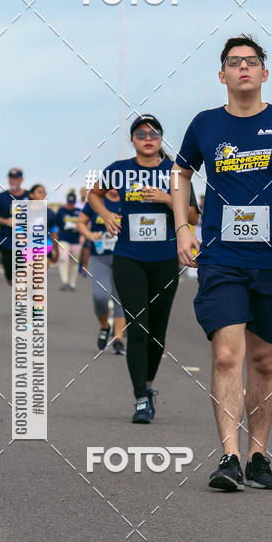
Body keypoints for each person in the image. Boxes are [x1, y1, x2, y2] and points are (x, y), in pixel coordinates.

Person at [172, 34, 272, 492]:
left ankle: (258, 457)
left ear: (264, 73)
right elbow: (181, 174)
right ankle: (228, 455)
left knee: (263, 360)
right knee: (226, 353)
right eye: (233, 62)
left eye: (251, 61)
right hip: (222, 257)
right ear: (221, 74)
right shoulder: (205, 125)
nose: (243, 67)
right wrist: (184, 228)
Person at [88, 114, 199, 423]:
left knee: (157, 332)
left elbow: (194, 216)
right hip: (129, 258)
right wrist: (107, 216)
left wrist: (166, 198)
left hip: (165, 259)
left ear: (161, 138)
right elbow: (93, 194)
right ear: (133, 139)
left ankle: (149, 387)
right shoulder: (119, 170)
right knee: (138, 326)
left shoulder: (176, 173)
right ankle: (139, 398)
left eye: (153, 133)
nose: (148, 137)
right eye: (141, 133)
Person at [77, 188, 126, 354]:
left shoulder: (128, 199)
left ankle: (118, 339)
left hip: (124, 256)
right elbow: (80, 222)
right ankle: (105, 326)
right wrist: (89, 235)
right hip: (99, 257)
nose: (113, 187)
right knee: (100, 295)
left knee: (121, 298)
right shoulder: (96, 200)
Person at [0, 168, 28, 286]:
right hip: (7, 239)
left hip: (25, 241)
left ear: (21, 179)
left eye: (16, 178)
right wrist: (5, 221)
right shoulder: (2, 197)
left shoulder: (29, 196)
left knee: (23, 273)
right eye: (11, 178)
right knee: (10, 277)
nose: (14, 181)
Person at [56, 191, 83, 290]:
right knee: (63, 258)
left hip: (76, 239)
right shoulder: (61, 211)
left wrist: (83, 236)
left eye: (72, 203)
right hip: (64, 238)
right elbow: (57, 225)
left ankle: (72, 283)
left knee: (74, 262)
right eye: (69, 202)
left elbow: (84, 224)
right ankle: (64, 282)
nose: (70, 205)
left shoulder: (79, 211)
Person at [28, 183, 60, 265]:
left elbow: (54, 234)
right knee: (29, 276)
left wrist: (56, 251)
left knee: (39, 275)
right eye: (39, 192)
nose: (42, 195)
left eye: (44, 192)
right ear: (31, 195)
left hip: (45, 247)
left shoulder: (50, 213)